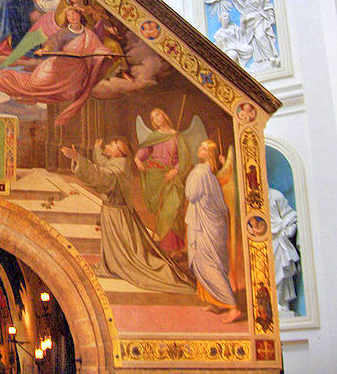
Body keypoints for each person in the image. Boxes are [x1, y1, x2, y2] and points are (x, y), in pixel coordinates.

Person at [60, 140, 195, 294]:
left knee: (129, 255)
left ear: (119, 153)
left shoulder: (117, 171)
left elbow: (100, 175)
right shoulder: (119, 164)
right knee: (120, 250)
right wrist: (96, 150)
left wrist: (77, 158)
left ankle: (122, 265)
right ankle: (114, 264)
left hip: (117, 216)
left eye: (112, 145)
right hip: (115, 213)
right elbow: (102, 165)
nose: (107, 146)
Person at [0, 6, 112, 125]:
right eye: (69, 15)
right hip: (59, 66)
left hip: (76, 71)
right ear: (66, 19)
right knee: (36, 83)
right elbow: (52, 43)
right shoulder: (64, 33)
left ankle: (33, 95)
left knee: (69, 95)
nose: (72, 17)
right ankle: (8, 80)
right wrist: (45, 49)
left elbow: (98, 48)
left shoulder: (89, 34)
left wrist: (104, 53)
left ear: (80, 15)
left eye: (74, 14)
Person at [185, 139, 242, 323]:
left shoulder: (200, 172)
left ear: (209, 154)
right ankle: (215, 301)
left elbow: (191, 195)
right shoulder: (211, 173)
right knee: (210, 263)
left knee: (207, 264)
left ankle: (233, 307)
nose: (199, 150)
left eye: (204, 148)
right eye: (200, 147)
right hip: (212, 224)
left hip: (205, 226)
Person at [134, 108, 192, 256]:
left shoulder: (177, 136)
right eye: (153, 118)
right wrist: (137, 160)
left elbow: (185, 159)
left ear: (164, 115)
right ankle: (168, 247)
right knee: (163, 213)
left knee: (173, 210)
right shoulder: (154, 137)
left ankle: (175, 247)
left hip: (174, 179)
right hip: (157, 178)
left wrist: (175, 171)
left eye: (158, 115)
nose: (156, 119)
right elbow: (142, 154)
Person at [227, 0, 280, 70]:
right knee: (252, 42)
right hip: (248, 23)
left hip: (259, 19)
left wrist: (272, 18)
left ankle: (270, 57)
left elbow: (268, 7)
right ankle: (260, 61)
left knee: (261, 36)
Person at [269, 187, 300, 313]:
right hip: (258, 240)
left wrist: (290, 228)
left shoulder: (275, 195)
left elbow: (290, 216)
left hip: (277, 239)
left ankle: (279, 303)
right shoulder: (248, 199)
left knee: (279, 270)